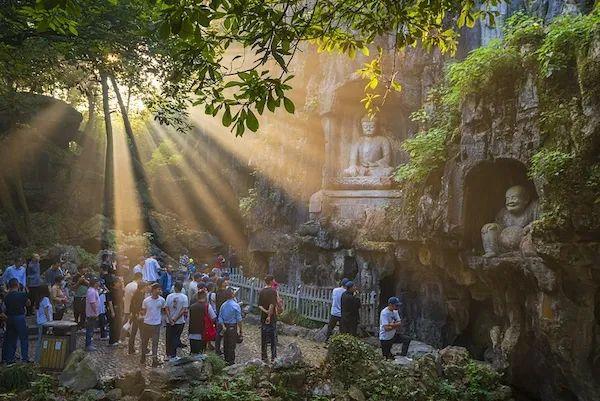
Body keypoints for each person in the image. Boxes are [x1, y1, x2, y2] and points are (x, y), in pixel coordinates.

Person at [1, 278, 30, 363]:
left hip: (10, 318)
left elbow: (4, 308)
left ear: (9, 286)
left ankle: (10, 359)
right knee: (23, 339)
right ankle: (24, 358)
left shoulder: (6, 297)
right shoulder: (22, 294)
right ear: (17, 285)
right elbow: (28, 303)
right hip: (20, 317)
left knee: (11, 339)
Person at [140, 283, 165, 367]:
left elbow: (162, 310)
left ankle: (154, 360)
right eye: (158, 289)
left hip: (156, 324)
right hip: (147, 323)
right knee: (145, 341)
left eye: (160, 289)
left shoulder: (162, 300)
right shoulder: (146, 300)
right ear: (153, 290)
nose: (160, 291)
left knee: (155, 343)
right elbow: (143, 311)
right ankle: (143, 356)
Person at [217, 289, 242, 365]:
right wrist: (241, 330)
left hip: (225, 326)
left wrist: (223, 326)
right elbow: (239, 320)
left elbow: (220, 317)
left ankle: (226, 359)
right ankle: (231, 361)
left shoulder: (223, 305)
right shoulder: (236, 305)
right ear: (232, 295)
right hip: (232, 326)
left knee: (226, 342)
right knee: (232, 344)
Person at [164, 282, 188, 360]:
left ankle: (168, 354)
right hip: (179, 321)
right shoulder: (184, 297)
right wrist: (175, 318)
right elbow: (183, 310)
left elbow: (166, 308)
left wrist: (170, 318)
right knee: (176, 337)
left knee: (168, 337)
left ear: (174, 288)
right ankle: (173, 355)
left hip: (169, 321)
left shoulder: (169, 296)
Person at [258, 275, 278, 362]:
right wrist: (269, 316)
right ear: (271, 281)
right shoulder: (273, 291)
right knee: (273, 338)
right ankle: (273, 357)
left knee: (264, 337)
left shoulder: (262, 291)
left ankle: (264, 356)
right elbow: (272, 305)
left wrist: (265, 312)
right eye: (273, 280)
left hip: (262, 317)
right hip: (271, 318)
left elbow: (259, 305)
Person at [128, 281, 148, 355]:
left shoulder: (137, 293)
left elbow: (132, 305)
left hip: (135, 315)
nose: (147, 288)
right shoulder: (140, 295)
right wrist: (138, 313)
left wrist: (133, 313)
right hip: (138, 316)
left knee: (134, 332)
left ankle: (131, 349)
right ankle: (144, 349)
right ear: (143, 287)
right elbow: (138, 306)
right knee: (143, 333)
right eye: (146, 287)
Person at [35, 285, 53, 362]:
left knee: (40, 340)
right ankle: (41, 359)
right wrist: (50, 323)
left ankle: (38, 358)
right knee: (44, 340)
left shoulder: (38, 299)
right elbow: (46, 311)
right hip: (45, 322)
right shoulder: (45, 299)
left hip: (40, 321)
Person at [214, 277, 229, 355]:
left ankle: (217, 348)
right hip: (224, 314)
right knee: (222, 332)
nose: (226, 281)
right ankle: (221, 349)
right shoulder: (225, 292)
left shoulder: (218, 292)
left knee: (219, 332)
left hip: (219, 312)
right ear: (222, 283)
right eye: (224, 281)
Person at [85, 278, 101, 351]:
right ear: (95, 283)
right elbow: (92, 303)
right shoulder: (91, 291)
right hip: (91, 314)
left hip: (93, 313)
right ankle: (88, 345)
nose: (99, 284)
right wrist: (96, 312)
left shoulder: (94, 290)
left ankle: (90, 343)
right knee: (90, 329)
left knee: (91, 329)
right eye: (98, 282)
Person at [108, 277, 124, 346]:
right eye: (118, 282)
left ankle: (117, 339)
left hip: (119, 308)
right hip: (114, 308)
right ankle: (112, 340)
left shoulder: (119, 290)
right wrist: (112, 311)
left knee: (119, 325)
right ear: (114, 283)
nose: (119, 284)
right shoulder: (111, 291)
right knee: (113, 325)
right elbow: (110, 302)